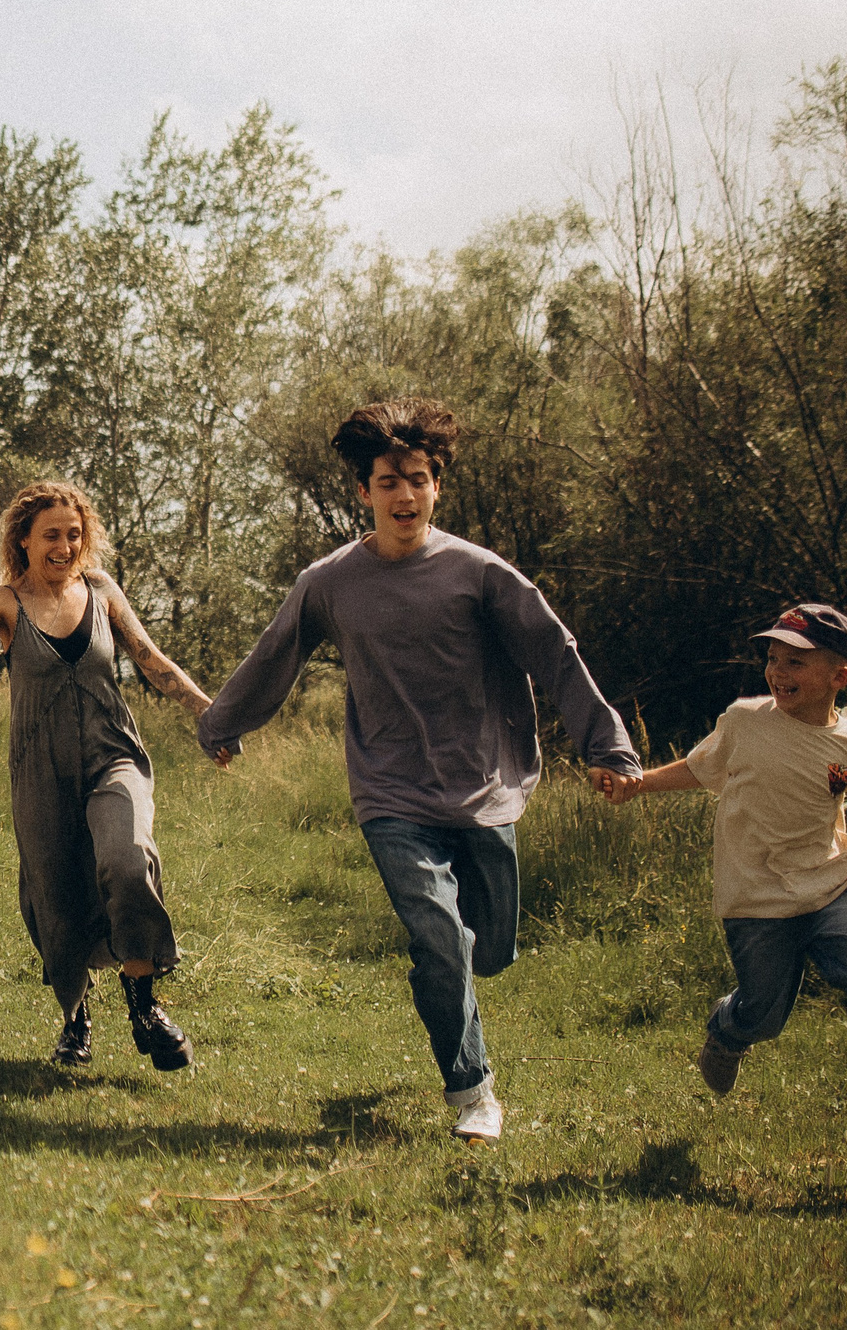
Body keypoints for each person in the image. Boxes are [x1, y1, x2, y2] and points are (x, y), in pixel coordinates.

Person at [196, 397, 638, 1142]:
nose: (406, 495)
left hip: (485, 783)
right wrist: (224, 720)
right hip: (389, 787)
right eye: (390, 481)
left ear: (438, 486)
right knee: (439, 933)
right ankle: (473, 1091)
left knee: (487, 946)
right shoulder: (331, 581)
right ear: (363, 491)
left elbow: (555, 654)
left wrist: (608, 744)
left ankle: (450, 977)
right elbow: (278, 650)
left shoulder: (479, 574)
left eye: (420, 479)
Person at [600, 603, 847, 1173]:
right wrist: (638, 786)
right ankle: (729, 1027)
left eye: (797, 663)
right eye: (774, 658)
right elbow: (700, 767)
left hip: (829, 890)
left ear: (840, 677)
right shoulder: (745, 721)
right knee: (765, 1015)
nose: (779, 671)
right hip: (754, 899)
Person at [0, 484, 211, 1070]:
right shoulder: (6, 602)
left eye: (74, 534)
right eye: (51, 535)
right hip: (40, 769)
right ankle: (75, 1018)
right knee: (54, 893)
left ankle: (143, 1003)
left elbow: (153, 661)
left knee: (129, 860)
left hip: (113, 755)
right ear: (23, 540)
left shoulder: (103, 592)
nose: (64, 546)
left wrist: (211, 714)